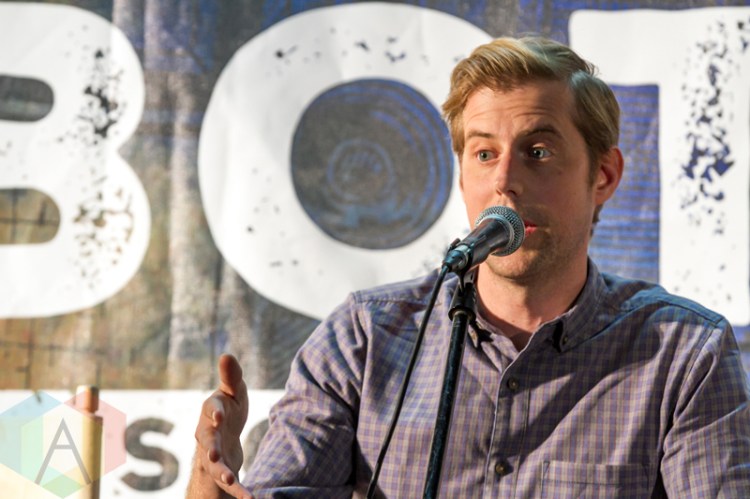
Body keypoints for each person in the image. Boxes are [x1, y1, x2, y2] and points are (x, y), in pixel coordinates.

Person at [187, 36, 750, 498]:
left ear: (603, 176)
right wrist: (210, 476)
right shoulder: (364, 338)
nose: (505, 181)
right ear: (462, 178)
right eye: (484, 154)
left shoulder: (684, 353)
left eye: (538, 152)